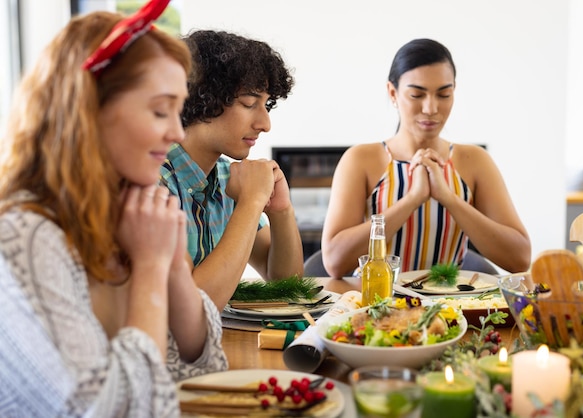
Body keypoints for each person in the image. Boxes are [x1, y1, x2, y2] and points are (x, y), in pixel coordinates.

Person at [0, 3, 227, 417]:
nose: (176, 132)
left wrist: (173, 264)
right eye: (160, 110)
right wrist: (153, 265)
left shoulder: (127, 213)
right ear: (87, 110)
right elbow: (113, 410)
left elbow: (201, 366)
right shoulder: (23, 236)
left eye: (178, 111)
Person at [321, 38, 531, 278]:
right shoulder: (360, 160)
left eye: (443, 94)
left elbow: (520, 259)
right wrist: (412, 199)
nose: (431, 108)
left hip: (450, 308)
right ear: (393, 92)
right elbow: (335, 261)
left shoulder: (474, 161)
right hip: (375, 304)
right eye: (417, 95)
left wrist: (449, 198)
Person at [160, 30, 304, 311]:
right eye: (249, 104)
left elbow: (287, 285)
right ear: (203, 99)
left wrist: (281, 210)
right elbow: (193, 310)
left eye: (266, 105)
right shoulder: (152, 184)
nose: (265, 123)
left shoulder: (228, 176)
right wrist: (250, 203)